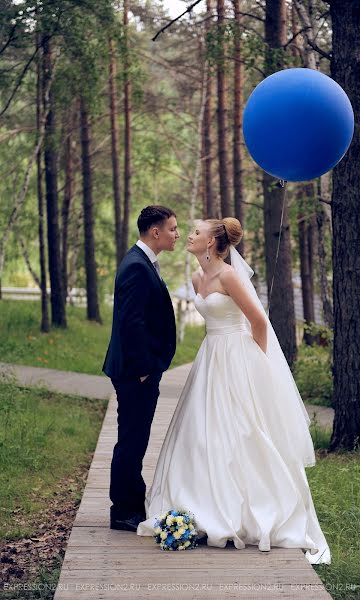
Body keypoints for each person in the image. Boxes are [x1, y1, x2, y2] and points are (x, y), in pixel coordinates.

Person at [137, 217, 331, 564]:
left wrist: (256, 365)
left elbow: (258, 321)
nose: (189, 236)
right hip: (209, 357)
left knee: (242, 431)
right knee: (199, 433)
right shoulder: (198, 277)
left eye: (195, 232)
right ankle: (197, 504)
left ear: (211, 242)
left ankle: (249, 510)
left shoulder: (229, 276)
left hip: (238, 357)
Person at [103, 205, 180, 532]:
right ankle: (122, 510)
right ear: (155, 232)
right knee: (131, 440)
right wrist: (145, 368)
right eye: (173, 228)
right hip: (136, 371)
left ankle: (133, 503)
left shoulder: (142, 261)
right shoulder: (136, 266)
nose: (177, 234)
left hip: (139, 369)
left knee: (136, 438)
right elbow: (130, 323)